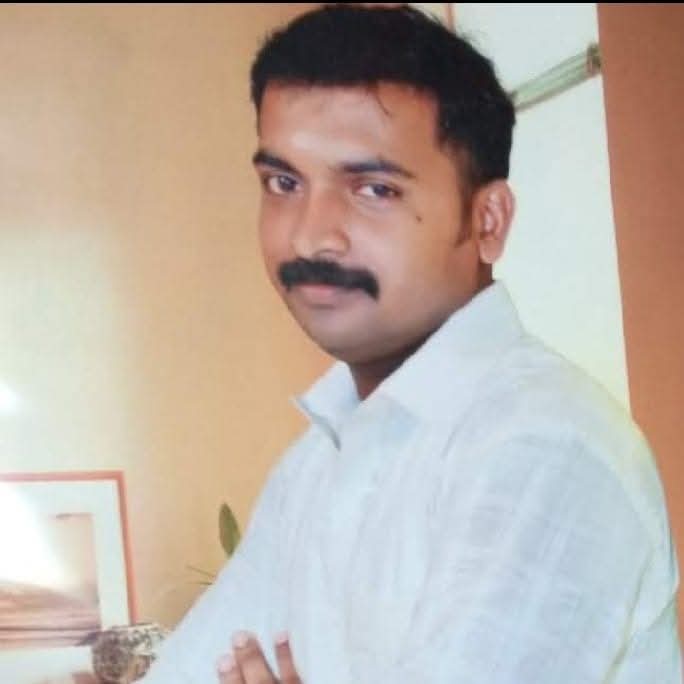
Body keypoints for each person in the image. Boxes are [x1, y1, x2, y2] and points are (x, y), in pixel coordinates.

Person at [142, 5, 682, 683]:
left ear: (488, 221)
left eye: (373, 189)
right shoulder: (312, 468)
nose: (310, 235)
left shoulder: (548, 446)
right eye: (284, 183)